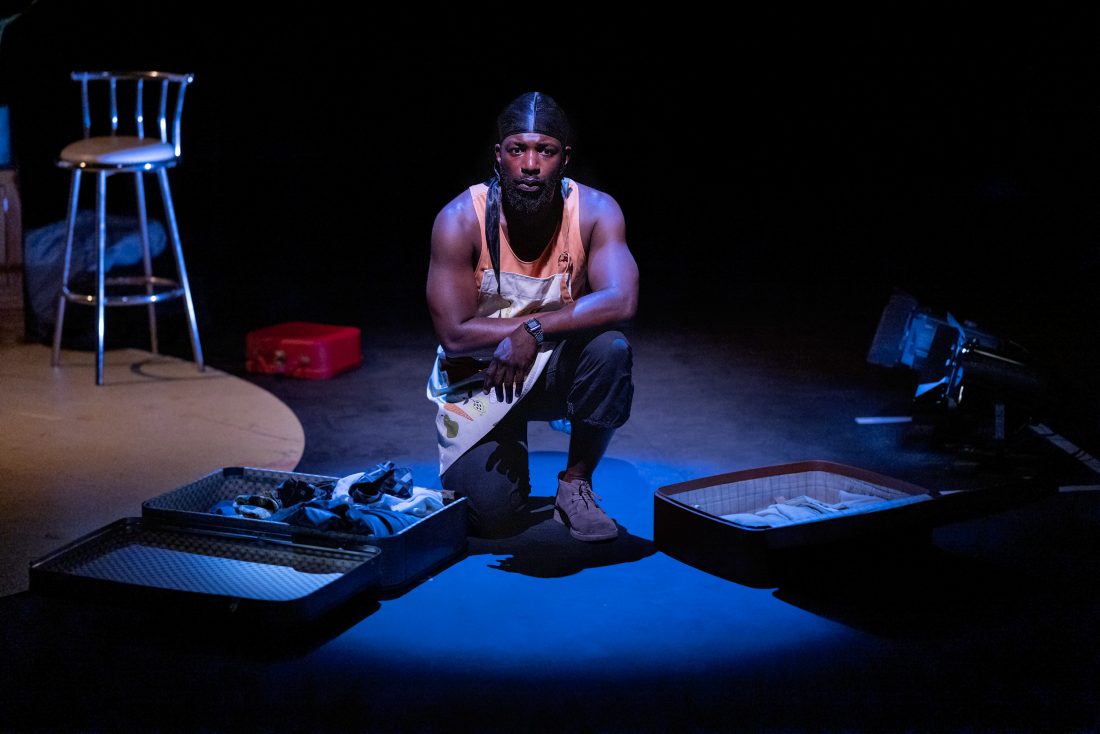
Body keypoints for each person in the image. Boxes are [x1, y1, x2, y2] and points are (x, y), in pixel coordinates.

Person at [425, 91, 639, 542]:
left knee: (610, 349)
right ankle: (498, 450)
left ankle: (576, 484)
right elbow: (455, 333)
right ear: (498, 157)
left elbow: (621, 300)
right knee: (492, 518)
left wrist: (534, 330)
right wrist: (521, 334)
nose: (530, 163)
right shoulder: (459, 219)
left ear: (564, 159)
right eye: (517, 149)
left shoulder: (596, 212)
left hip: (553, 368)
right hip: (482, 375)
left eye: (545, 150)